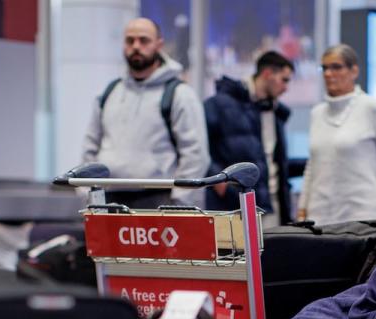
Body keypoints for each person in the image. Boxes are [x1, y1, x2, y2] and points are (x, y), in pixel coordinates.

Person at [82, 18, 209, 209]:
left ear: (159, 44)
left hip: (160, 200)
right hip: (109, 199)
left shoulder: (180, 95)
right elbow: (89, 148)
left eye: (144, 40)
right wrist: (88, 195)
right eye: (130, 40)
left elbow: (196, 156)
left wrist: (180, 204)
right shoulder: (109, 93)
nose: (136, 46)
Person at [296, 44, 376, 225]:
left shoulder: (373, 108)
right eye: (324, 68)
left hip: (363, 222)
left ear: (354, 71)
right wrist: (302, 208)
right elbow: (313, 165)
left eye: (336, 67)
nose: (328, 73)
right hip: (318, 221)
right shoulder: (317, 113)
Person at [204, 51, 295, 225]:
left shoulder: (276, 111)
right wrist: (218, 182)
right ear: (268, 74)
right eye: (284, 79)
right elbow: (200, 148)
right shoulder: (219, 105)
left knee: (272, 252)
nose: (286, 88)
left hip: (272, 206)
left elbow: (273, 160)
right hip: (234, 207)